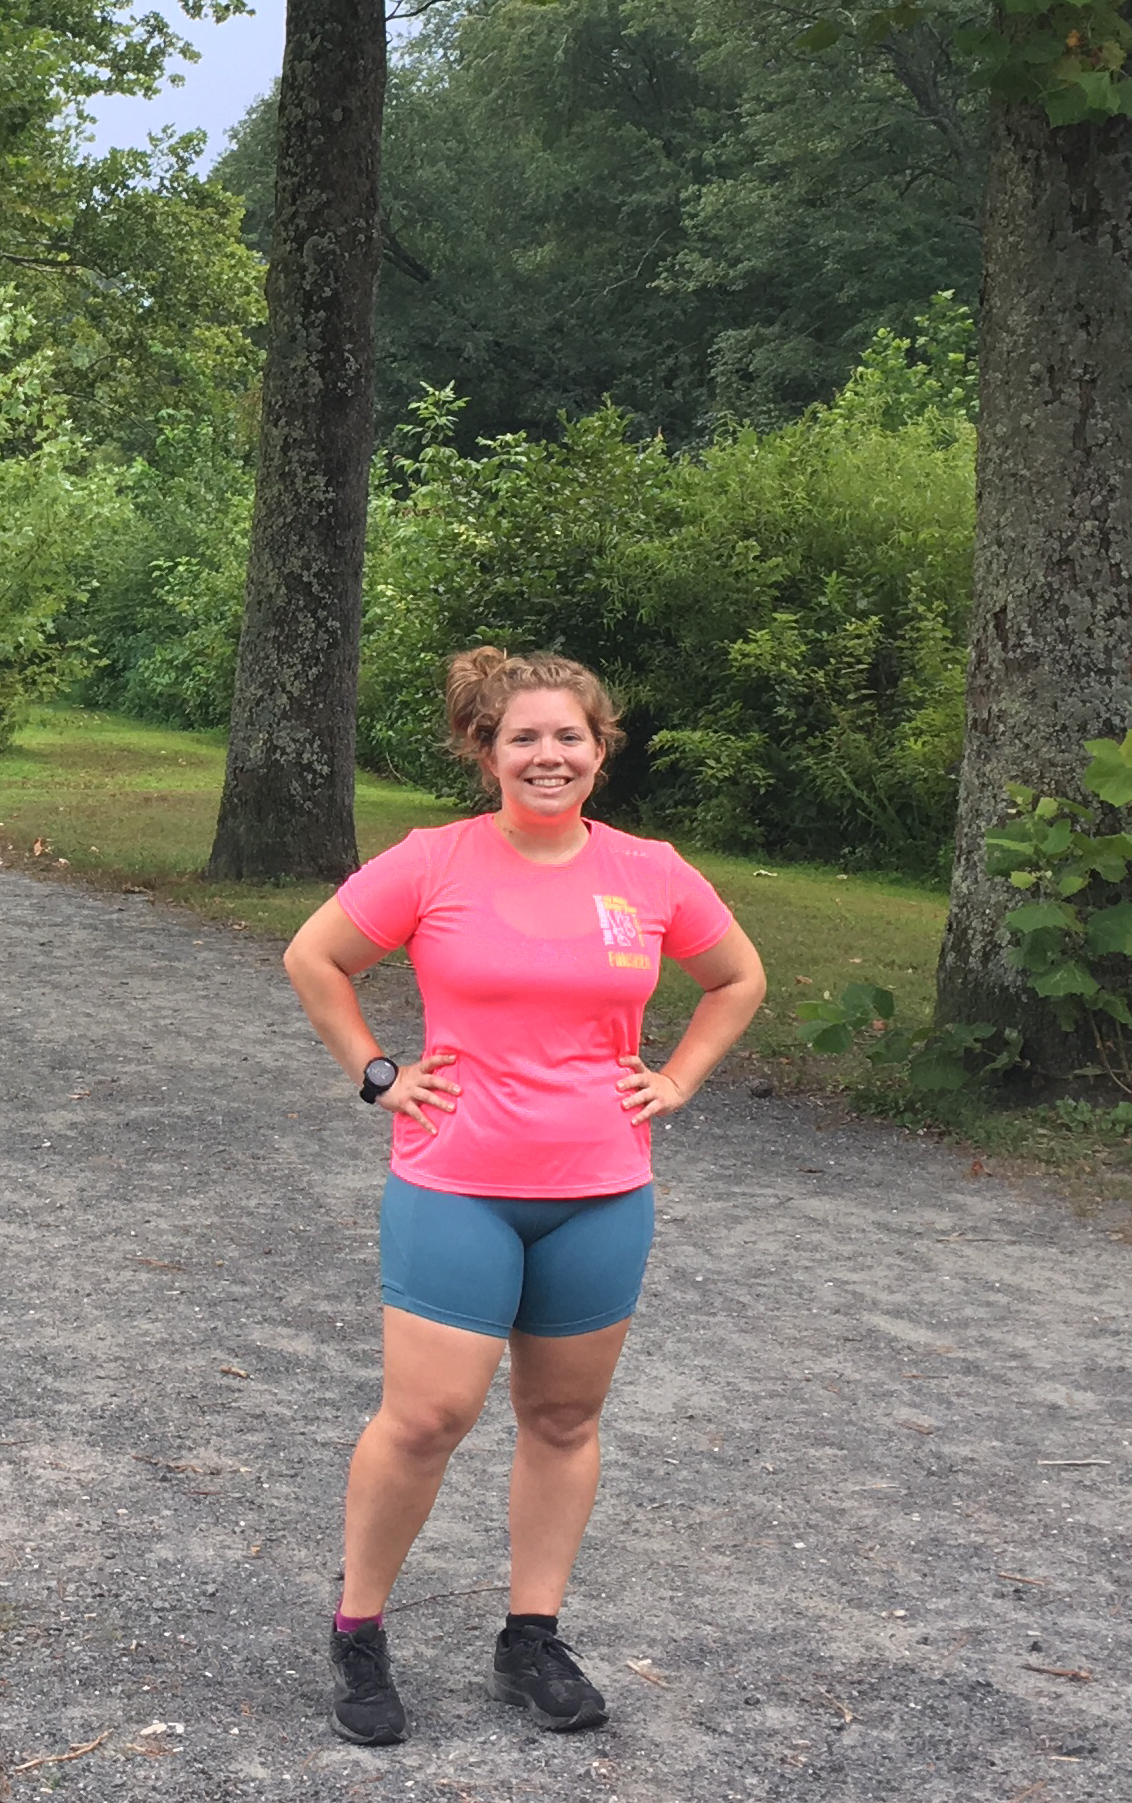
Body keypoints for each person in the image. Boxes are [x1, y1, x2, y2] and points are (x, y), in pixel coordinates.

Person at [281, 645, 769, 1746]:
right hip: (457, 1183)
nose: (549, 756)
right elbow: (316, 957)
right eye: (525, 738)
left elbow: (738, 978)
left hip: (600, 1191)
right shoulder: (434, 862)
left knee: (562, 1418)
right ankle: (359, 1631)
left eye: (569, 737)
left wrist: (680, 1077)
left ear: (600, 749)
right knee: (427, 1418)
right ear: (485, 750)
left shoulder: (651, 873)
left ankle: (531, 1638)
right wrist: (377, 1072)